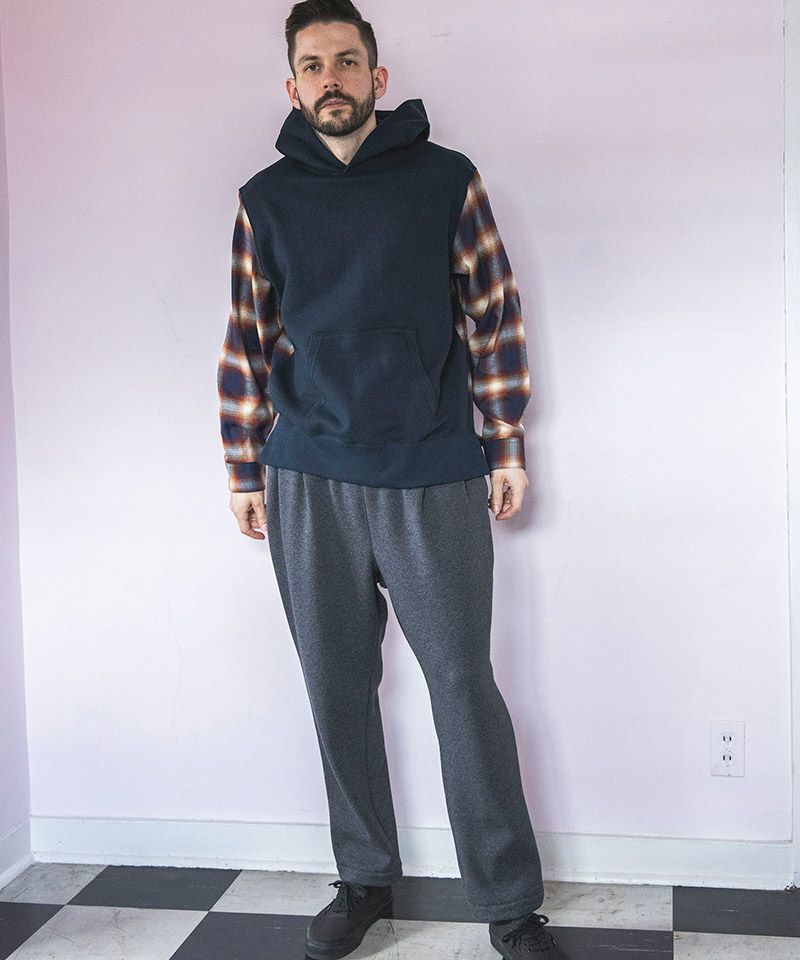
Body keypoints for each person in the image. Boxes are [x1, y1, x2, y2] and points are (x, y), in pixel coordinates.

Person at [216, 2, 570, 958]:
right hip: (307, 475)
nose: (330, 78)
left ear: (376, 78)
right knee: (336, 686)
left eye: (346, 61)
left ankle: (509, 905)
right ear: (292, 86)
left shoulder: (445, 180)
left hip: (431, 467)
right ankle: (365, 877)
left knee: (461, 686)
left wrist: (505, 440)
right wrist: (242, 464)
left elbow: (494, 309)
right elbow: (248, 336)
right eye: (312, 65)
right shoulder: (264, 200)